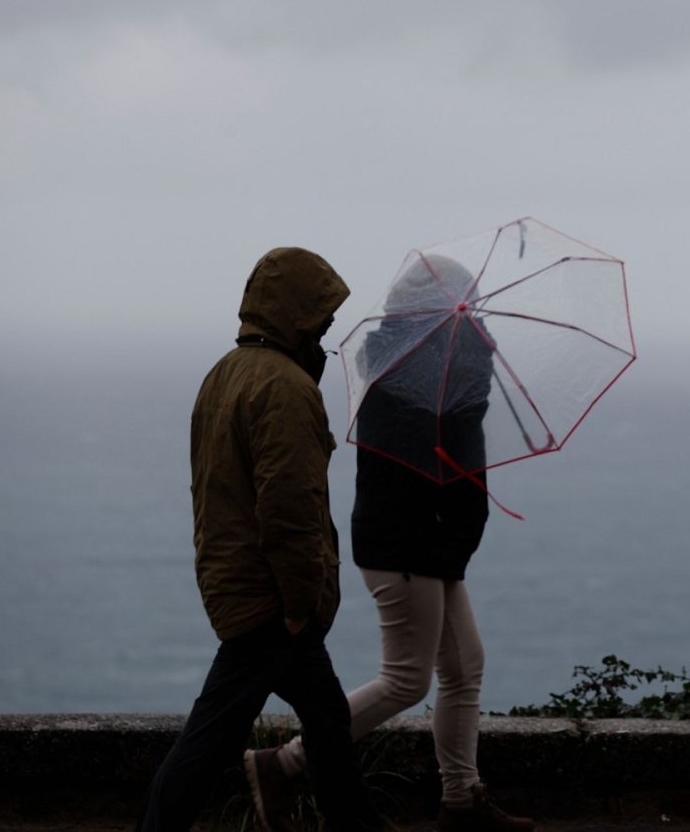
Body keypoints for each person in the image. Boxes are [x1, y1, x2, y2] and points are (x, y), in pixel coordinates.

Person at [244, 255, 533, 832]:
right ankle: (284, 764)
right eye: (465, 300)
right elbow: (437, 459)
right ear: (440, 306)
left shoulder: (428, 360)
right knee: (407, 679)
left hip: (427, 541)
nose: (472, 308)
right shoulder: (412, 366)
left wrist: (471, 357)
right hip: (405, 542)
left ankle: (460, 800)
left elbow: (456, 451)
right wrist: (472, 356)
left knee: (463, 665)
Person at [137, 248, 384, 832]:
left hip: (236, 578)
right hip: (271, 600)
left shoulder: (225, 373)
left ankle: (357, 825)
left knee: (325, 717)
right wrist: (300, 604)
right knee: (211, 736)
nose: (327, 333)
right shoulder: (286, 388)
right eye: (320, 321)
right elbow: (289, 508)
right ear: (295, 315)